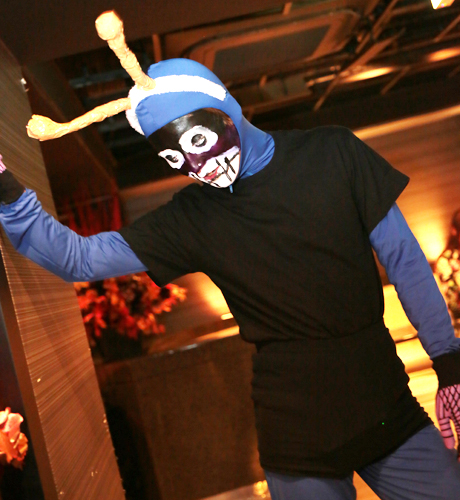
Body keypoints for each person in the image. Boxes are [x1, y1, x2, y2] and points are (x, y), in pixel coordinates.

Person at [1, 55, 460, 499]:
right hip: (298, 438)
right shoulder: (191, 218)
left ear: (225, 107)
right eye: (175, 158)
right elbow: (78, 259)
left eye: (198, 141)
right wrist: (6, 188)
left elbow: (404, 259)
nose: (197, 166)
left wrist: (449, 363)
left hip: (387, 410)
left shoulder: (333, 151)